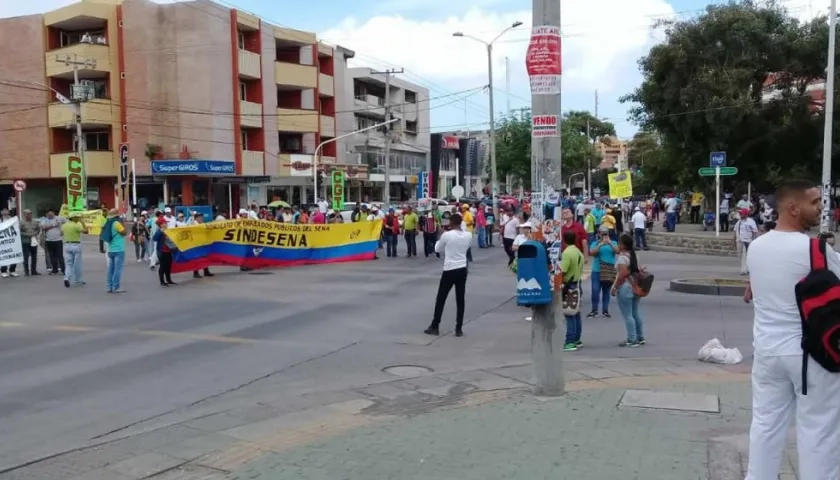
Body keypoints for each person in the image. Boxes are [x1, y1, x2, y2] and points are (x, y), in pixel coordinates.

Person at [742, 180, 840, 480]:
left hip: (767, 354)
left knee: (765, 426)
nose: (821, 207)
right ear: (793, 208)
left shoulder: (757, 247)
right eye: (814, 203)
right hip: (811, 356)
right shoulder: (815, 249)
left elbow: (758, 290)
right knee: (819, 431)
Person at [424, 213, 472, 338]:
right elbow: (467, 248)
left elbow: (437, 249)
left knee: (441, 298)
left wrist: (441, 236)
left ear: (451, 223)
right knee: (460, 299)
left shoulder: (447, 235)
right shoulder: (468, 235)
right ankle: (458, 328)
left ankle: (435, 325)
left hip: (450, 268)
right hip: (462, 268)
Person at [611, 233, 645, 347]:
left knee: (628, 315)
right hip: (635, 286)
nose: (618, 245)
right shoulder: (634, 255)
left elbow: (622, 274)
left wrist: (615, 288)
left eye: (620, 243)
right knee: (635, 312)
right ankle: (640, 336)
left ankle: (632, 339)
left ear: (624, 245)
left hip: (625, 288)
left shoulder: (622, 258)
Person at [561, 229, 585, 352]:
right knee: (576, 312)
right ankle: (577, 338)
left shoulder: (567, 253)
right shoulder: (578, 252)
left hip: (569, 285)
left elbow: (563, 270)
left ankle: (570, 340)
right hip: (577, 283)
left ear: (564, 240)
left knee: (569, 313)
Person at [587, 226, 617, 318]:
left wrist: (610, 243)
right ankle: (594, 310)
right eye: (602, 233)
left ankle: (605, 310)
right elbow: (591, 253)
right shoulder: (595, 243)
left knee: (606, 291)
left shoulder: (613, 242)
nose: (604, 235)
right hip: (597, 270)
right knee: (595, 290)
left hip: (608, 271)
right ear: (599, 234)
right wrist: (600, 244)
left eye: (606, 233)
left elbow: (618, 251)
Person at [102, 209, 127, 293]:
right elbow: (124, 232)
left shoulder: (107, 223)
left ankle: (109, 286)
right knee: (117, 269)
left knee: (110, 268)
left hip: (110, 249)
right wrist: (123, 223)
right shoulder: (116, 223)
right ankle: (116, 287)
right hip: (119, 249)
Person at [61, 211, 88, 288]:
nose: (78, 218)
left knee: (69, 263)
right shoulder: (76, 225)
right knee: (77, 264)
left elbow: (61, 233)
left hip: (67, 245)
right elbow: (86, 231)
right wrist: (83, 223)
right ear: (74, 218)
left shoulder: (64, 225)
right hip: (76, 245)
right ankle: (78, 279)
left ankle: (67, 278)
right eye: (77, 217)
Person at [153, 219, 176, 287]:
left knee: (168, 266)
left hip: (168, 250)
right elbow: (154, 238)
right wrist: (160, 231)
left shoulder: (168, 231)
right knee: (163, 266)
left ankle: (169, 280)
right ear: (161, 225)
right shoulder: (159, 231)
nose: (166, 224)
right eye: (165, 223)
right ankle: (162, 281)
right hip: (162, 251)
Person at [735, 208, 758, 275]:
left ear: (745, 214)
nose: (740, 214)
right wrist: (733, 241)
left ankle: (744, 270)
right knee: (740, 255)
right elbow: (735, 231)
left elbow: (755, 232)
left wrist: (754, 241)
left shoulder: (751, 222)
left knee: (744, 256)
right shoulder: (739, 222)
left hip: (747, 241)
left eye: (741, 213)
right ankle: (747, 268)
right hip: (739, 240)